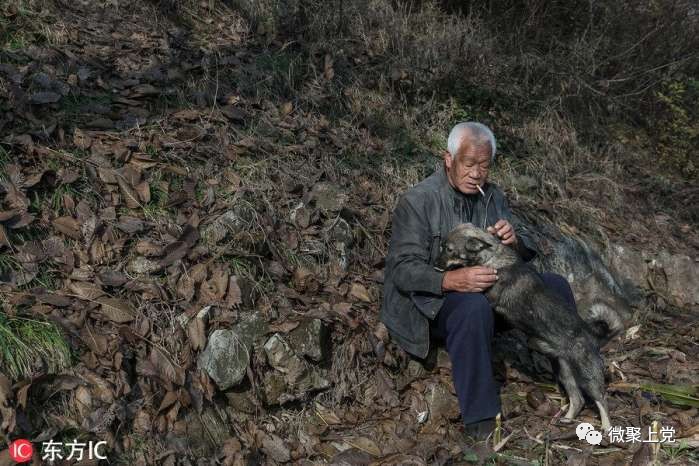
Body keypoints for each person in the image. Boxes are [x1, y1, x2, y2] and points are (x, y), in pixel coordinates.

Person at [380, 122, 579, 440]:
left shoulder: (492, 196)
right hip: (429, 304)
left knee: (555, 286)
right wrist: (450, 279)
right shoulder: (418, 201)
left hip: (490, 293)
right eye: (468, 164)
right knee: (472, 307)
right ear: (449, 159)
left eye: (483, 166)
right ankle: (483, 424)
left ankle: (574, 379)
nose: (476, 173)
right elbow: (402, 270)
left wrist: (515, 242)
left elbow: (522, 249)